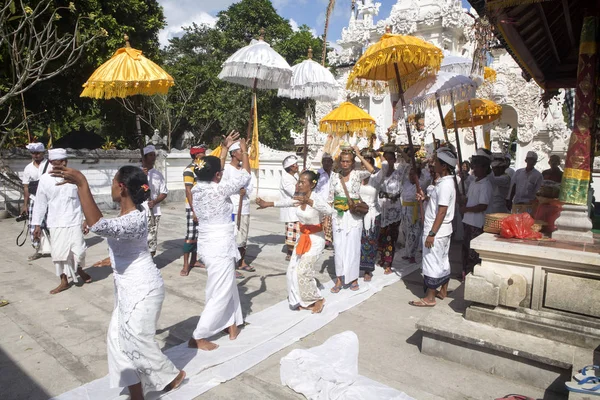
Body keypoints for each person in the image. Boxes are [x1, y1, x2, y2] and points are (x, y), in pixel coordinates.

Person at [51, 163, 186, 399]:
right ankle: (137, 392)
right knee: (117, 339)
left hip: (144, 288)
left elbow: (99, 226)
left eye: (113, 182)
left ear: (122, 188)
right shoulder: (127, 212)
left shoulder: (135, 216)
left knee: (137, 340)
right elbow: (121, 240)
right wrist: (111, 258)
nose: (112, 186)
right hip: (126, 286)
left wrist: (82, 182)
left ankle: (171, 376)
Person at [189, 132, 248, 351]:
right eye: (220, 172)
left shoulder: (197, 188)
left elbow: (215, 171)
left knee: (224, 285)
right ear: (217, 175)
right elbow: (246, 176)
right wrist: (244, 154)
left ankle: (232, 323)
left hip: (207, 243)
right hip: (219, 245)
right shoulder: (220, 188)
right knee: (219, 291)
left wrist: (224, 148)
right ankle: (199, 335)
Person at [256, 170, 333, 313]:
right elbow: (287, 202)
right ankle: (298, 300)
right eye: (299, 181)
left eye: (303, 182)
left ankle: (317, 299)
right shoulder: (299, 196)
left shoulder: (317, 198)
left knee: (303, 270)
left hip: (316, 239)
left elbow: (329, 211)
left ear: (312, 184)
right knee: (292, 270)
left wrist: (310, 201)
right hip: (302, 238)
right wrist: (268, 204)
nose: (298, 184)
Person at [31, 148, 91, 294]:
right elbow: (40, 203)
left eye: (65, 161)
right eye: (59, 161)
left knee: (80, 251)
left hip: (75, 219)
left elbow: (85, 199)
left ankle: (79, 269)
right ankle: (64, 280)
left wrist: (86, 220)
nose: (63, 163)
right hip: (56, 221)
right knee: (59, 253)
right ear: (51, 162)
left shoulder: (75, 177)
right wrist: (37, 225)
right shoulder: (45, 179)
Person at [409, 147, 457, 307]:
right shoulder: (444, 183)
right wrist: (425, 198)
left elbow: (442, 212)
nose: (433, 164)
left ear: (443, 166)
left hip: (437, 231)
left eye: (436, 162)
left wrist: (431, 233)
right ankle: (442, 290)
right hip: (442, 231)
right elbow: (437, 204)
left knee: (432, 262)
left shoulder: (445, 185)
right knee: (442, 260)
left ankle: (430, 298)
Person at [328, 145, 375, 293]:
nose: (345, 164)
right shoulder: (334, 176)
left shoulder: (357, 174)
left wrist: (359, 154)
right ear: (339, 162)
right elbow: (330, 197)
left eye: (348, 161)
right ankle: (340, 278)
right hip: (338, 216)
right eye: (343, 161)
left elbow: (372, 170)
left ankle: (353, 278)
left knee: (353, 247)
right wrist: (326, 219)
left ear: (352, 163)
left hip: (353, 216)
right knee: (339, 247)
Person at [460, 149, 493, 280]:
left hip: (477, 223)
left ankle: (472, 274)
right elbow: (469, 199)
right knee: (465, 250)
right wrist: (462, 200)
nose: (474, 169)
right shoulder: (474, 182)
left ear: (485, 168)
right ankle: (464, 272)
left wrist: (466, 209)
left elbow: (482, 206)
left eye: (477, 166)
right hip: (468, 221)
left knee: (473, 252)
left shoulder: (486, 185)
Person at [377, 144, 410, 274]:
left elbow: (409, 162)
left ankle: (388, 263)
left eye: (391, 159)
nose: (388, 162)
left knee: (391, 237)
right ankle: (381, 258)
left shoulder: (399, 173)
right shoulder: (379, 174)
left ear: (394, 160)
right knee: (381, 236)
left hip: (394, 210)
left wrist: (400, 150)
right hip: (382, 208)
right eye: (386, 159)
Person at [223, 141, 255, 273]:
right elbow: (224, 188)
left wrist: (245, 191)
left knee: (243, 236)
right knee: (232, 237)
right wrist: (237, 190)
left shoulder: (245, 169)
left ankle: (241, 261)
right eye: (241, 151)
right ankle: (230, 265)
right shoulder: (226, 169)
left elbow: (250, 184)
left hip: (245, 206)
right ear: (234, 154)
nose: (243, 154)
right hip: (233, 208)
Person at [22, 142, 50, 260]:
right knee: (34, 226)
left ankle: (56, 249)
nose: (36, 155)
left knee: (51, 224)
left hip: (49, 199)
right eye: (33, 153)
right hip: (34, 200)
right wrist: (25, 204)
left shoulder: (50, 165)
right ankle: (38, 250)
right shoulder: (28, 168)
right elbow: (26, 187)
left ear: (43, 153)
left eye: (38, 153)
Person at [181, 145, 206, 276]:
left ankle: (194, 261)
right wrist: (194, 210)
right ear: (197, 156)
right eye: (203, 153)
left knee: (198, 235)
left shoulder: (202, 170)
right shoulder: (189, 170)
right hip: (193, 207)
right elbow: (188, 191)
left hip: (202, 206)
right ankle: (185, 265)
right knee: (190, 235)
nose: (205, 155)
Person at [358, 150, 382, 282]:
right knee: (357, 241)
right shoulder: (357, 177)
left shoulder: (376, 178)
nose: (364, 166)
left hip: (372, 215)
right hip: (357, 214)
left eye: (366, 163)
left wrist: (378, 154)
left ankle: (368, 270)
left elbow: (385, 167)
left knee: (369, 242)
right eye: (362, 163)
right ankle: (356, 266)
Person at [142, 145, 168, 257]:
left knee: (151, 239)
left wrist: (155, 201)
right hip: (139, 212)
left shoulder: (158, 175)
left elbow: (164, 192)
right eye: (150, 155)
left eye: (154, 155)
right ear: (144, 157)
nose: (153, 158)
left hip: (154, 212)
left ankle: (151, 260)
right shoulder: (137, 173)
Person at [280, 155, 300, 261]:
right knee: (291, 231)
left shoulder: (295, 177)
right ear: (290, 167)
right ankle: (290, 252)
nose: (297, 166)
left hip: (297, 208)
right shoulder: (286, 178)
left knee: (297, 231)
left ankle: (297, 250)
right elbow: (294, 192)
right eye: (295, 165)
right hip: (290, 208)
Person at [401, 168, 422, 264]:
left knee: (414, 233)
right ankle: (407, 252)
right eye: (410, 174)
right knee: (406, 232)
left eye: (413, 174)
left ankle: (412, 255)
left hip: (414, 211)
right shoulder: (405, 183)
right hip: (405, 210)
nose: (411, 176)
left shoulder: (420, 185)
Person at [315, 153, 334, 250]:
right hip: (321, 202)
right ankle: (322, 240)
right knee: (322, 222)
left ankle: (328, 240)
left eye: (329, 161)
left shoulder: (334, 174)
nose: (327, 163)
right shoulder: (318, 174)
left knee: (330, 221)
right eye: (325, 161)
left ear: (332, 163)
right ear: (322, 163)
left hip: (332, 201)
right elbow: (314, 189)